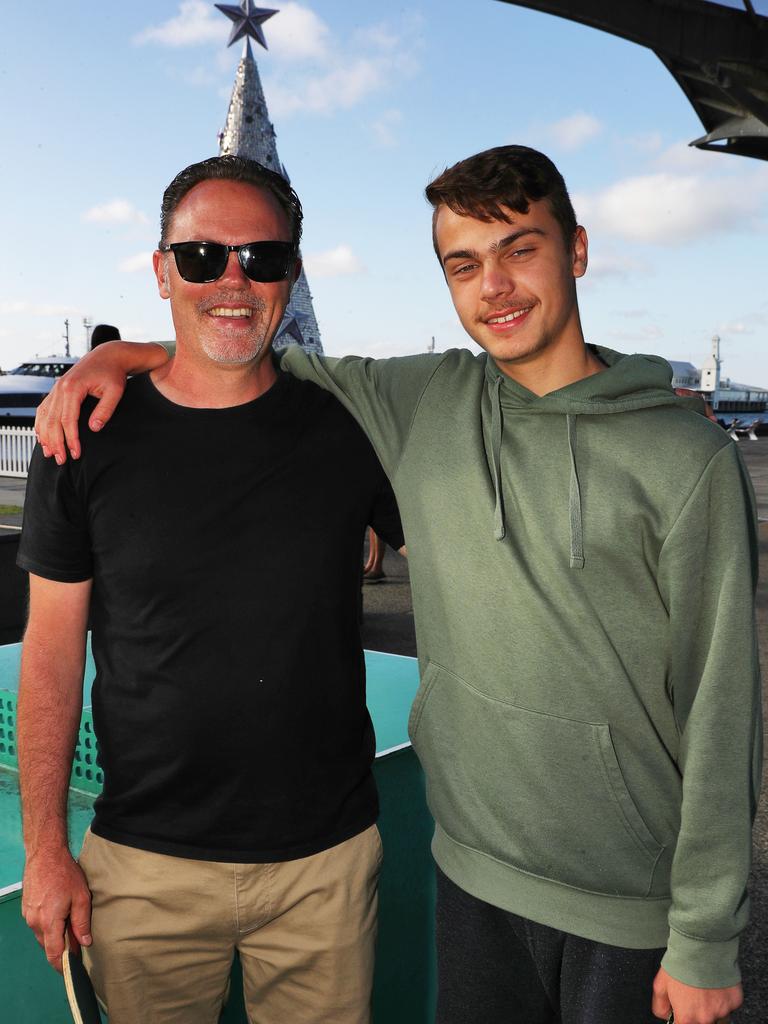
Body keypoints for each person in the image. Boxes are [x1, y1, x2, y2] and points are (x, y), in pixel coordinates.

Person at [35, 145, 760, 1024]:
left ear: (575, 249)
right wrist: (120, 357)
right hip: (440, 876)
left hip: (547, 891)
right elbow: (238, 352)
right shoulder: (416, 404)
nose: (495, 285)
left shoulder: (675, 459)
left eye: (520, 249)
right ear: (162, 269)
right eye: (465, 263)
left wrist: (707, 933)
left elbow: (725, 705)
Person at [18, 154, 404, 1024]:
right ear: (161, 271)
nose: (233, 280)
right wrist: (46, 848)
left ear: (292, 274)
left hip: (326, 869)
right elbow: (50, 649)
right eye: (201, 258)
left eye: (262, 258)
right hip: (145, 867)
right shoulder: (85, 437)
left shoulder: (348, 428)